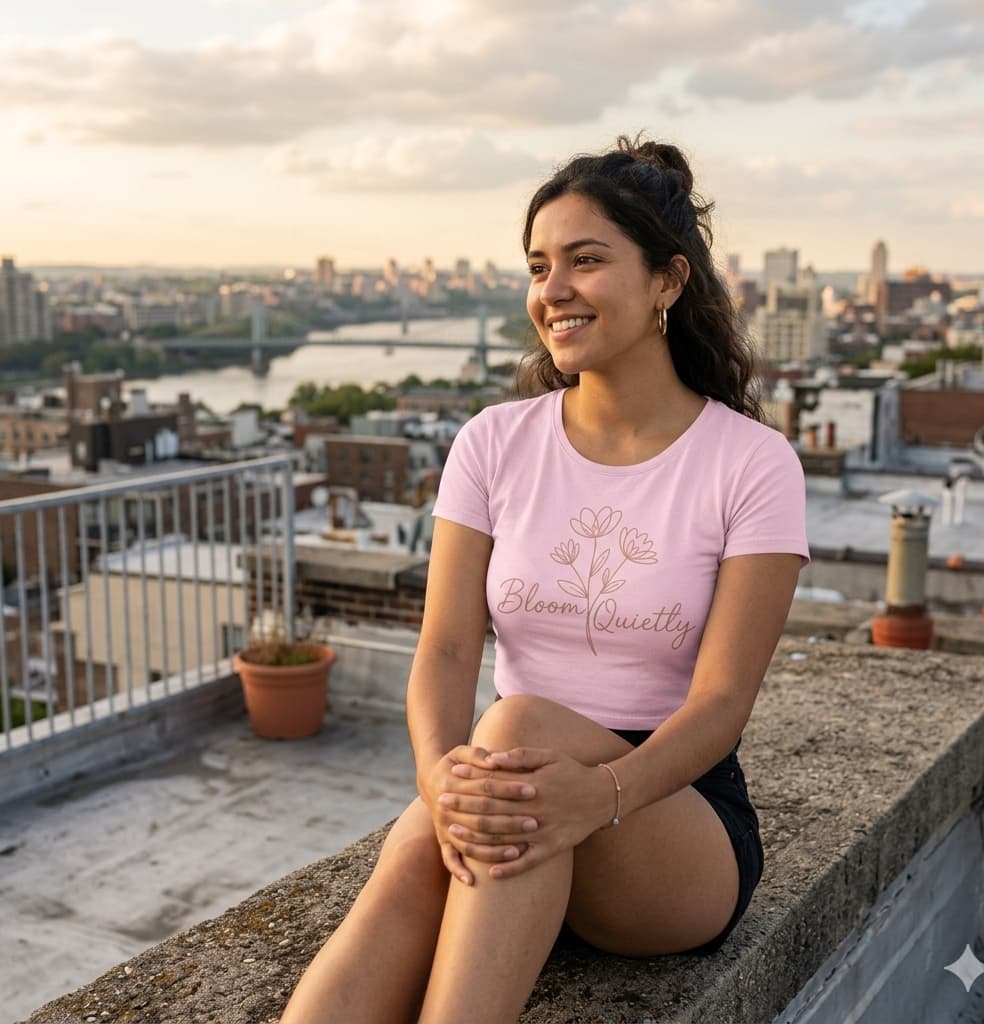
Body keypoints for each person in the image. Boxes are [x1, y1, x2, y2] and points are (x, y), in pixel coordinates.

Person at [281, 135, 808, 1024]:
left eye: (586, 260)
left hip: (666, 819)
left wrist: (594, 794)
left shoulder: (751, 464)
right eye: (537, 266)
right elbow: (446, 649)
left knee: (513, 730)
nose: (552, 290)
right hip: (516, 789)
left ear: (668, 281)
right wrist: (440, 780)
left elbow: (720, 705)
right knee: (429, 834)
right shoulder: (494, 442)